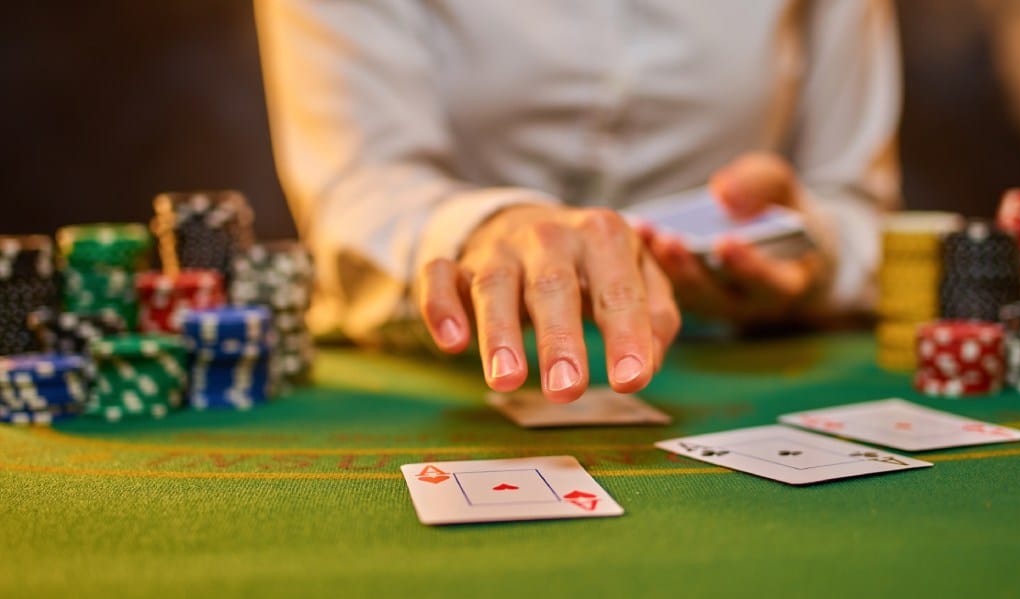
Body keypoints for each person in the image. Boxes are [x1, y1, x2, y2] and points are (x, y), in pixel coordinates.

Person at [254, 0, 901, 403]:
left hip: (741, 358)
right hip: (439, 367)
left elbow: (862, 212)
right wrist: (487, 229)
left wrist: (812, 255)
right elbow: (357, 189)